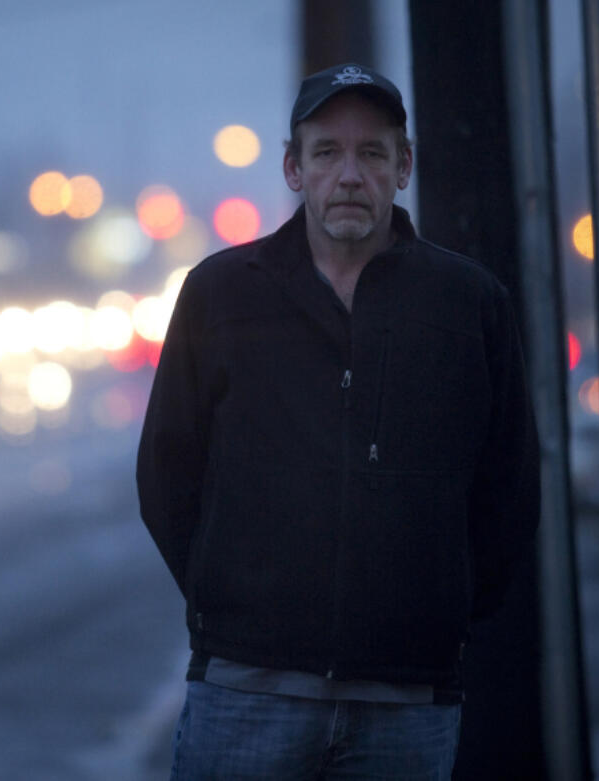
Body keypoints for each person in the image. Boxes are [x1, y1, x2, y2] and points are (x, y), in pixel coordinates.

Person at [137, 63, 540, 779]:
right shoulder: (221, 295)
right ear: (294, 168)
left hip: (407, 702)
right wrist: (231, 602)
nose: (349, 174)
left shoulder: (467, 304)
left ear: (403, 166)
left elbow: (507, 489)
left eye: (372, 153)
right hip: (245, 692)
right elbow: (167, 474)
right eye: (326, 152)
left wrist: (438, 612)